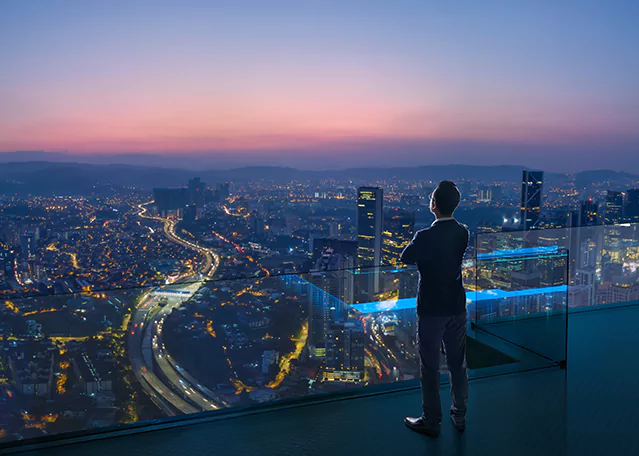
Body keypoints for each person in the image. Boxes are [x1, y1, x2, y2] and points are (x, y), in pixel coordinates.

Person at [400, 180, 469, 437]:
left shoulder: (425, 237)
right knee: (457, 363)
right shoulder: (463, 232)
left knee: (429, 366)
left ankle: (431, 419)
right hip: (456, 306)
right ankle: (459, 415)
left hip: (431, 309)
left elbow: (406, 256)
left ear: (434, 205)